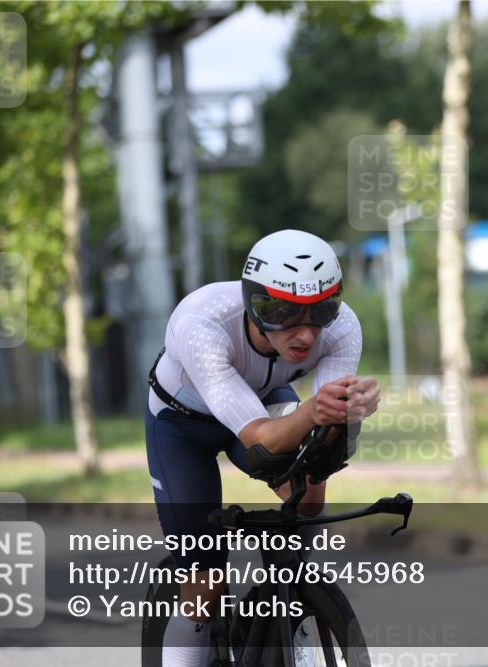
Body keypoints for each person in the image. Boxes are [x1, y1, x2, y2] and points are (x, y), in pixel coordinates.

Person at [145, 229, 380, 667]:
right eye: (281, 312)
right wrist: (313, 412)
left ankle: (284, 611)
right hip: (182, 425)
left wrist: (348, 412)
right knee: (205, 578)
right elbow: (257, 441)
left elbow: (322, 432)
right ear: (253, 303)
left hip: (264, 400)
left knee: (308, 501)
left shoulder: (343, 327)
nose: (305, 334)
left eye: (320, 311)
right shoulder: (202, 323)